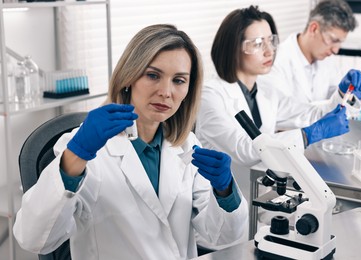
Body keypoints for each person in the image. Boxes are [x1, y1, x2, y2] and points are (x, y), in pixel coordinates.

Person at [13, 24, 248, 260]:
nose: (166, 92)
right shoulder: (86, 147)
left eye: (178, 80)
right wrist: (76, 156)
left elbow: (221, 238)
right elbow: (34, 238)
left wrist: (225, 190)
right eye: (153, 75)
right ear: (129, 77)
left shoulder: (185, 145)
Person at [195, 5, 361, 172]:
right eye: (257, 43)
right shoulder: (211, 96)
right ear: (233, 48)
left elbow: (312, 116)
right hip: (220, 199)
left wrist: (342, 93)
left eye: (271, 41)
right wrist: (307, 135)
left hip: (258, 191)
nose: (269, 51)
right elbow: (244, 150)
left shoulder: (265, 92)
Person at [259, 0, 361, 105]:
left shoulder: (326, 59)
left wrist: (350, 94)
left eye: (340, 43)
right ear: (314, 29)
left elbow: (333, 93)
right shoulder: (277, 62)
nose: (335, 50)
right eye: (333, 40)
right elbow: (284, 115)